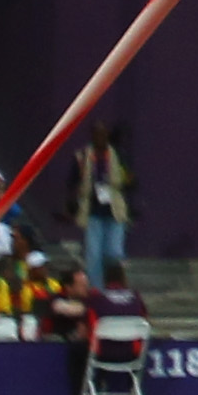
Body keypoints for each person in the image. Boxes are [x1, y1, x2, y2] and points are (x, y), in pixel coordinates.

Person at [73, 123, 134, 287]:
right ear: (92, 136)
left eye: (104, 134)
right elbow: (72, 181)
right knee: (93, 256)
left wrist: (126, 178)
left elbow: (130, 179)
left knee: (114, 253)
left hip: (114, 210)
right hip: (93, 211)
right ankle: (97, 292)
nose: (101, 138)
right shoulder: (83, 155)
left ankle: (114, 285)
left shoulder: (118, 155)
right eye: (97, 135)